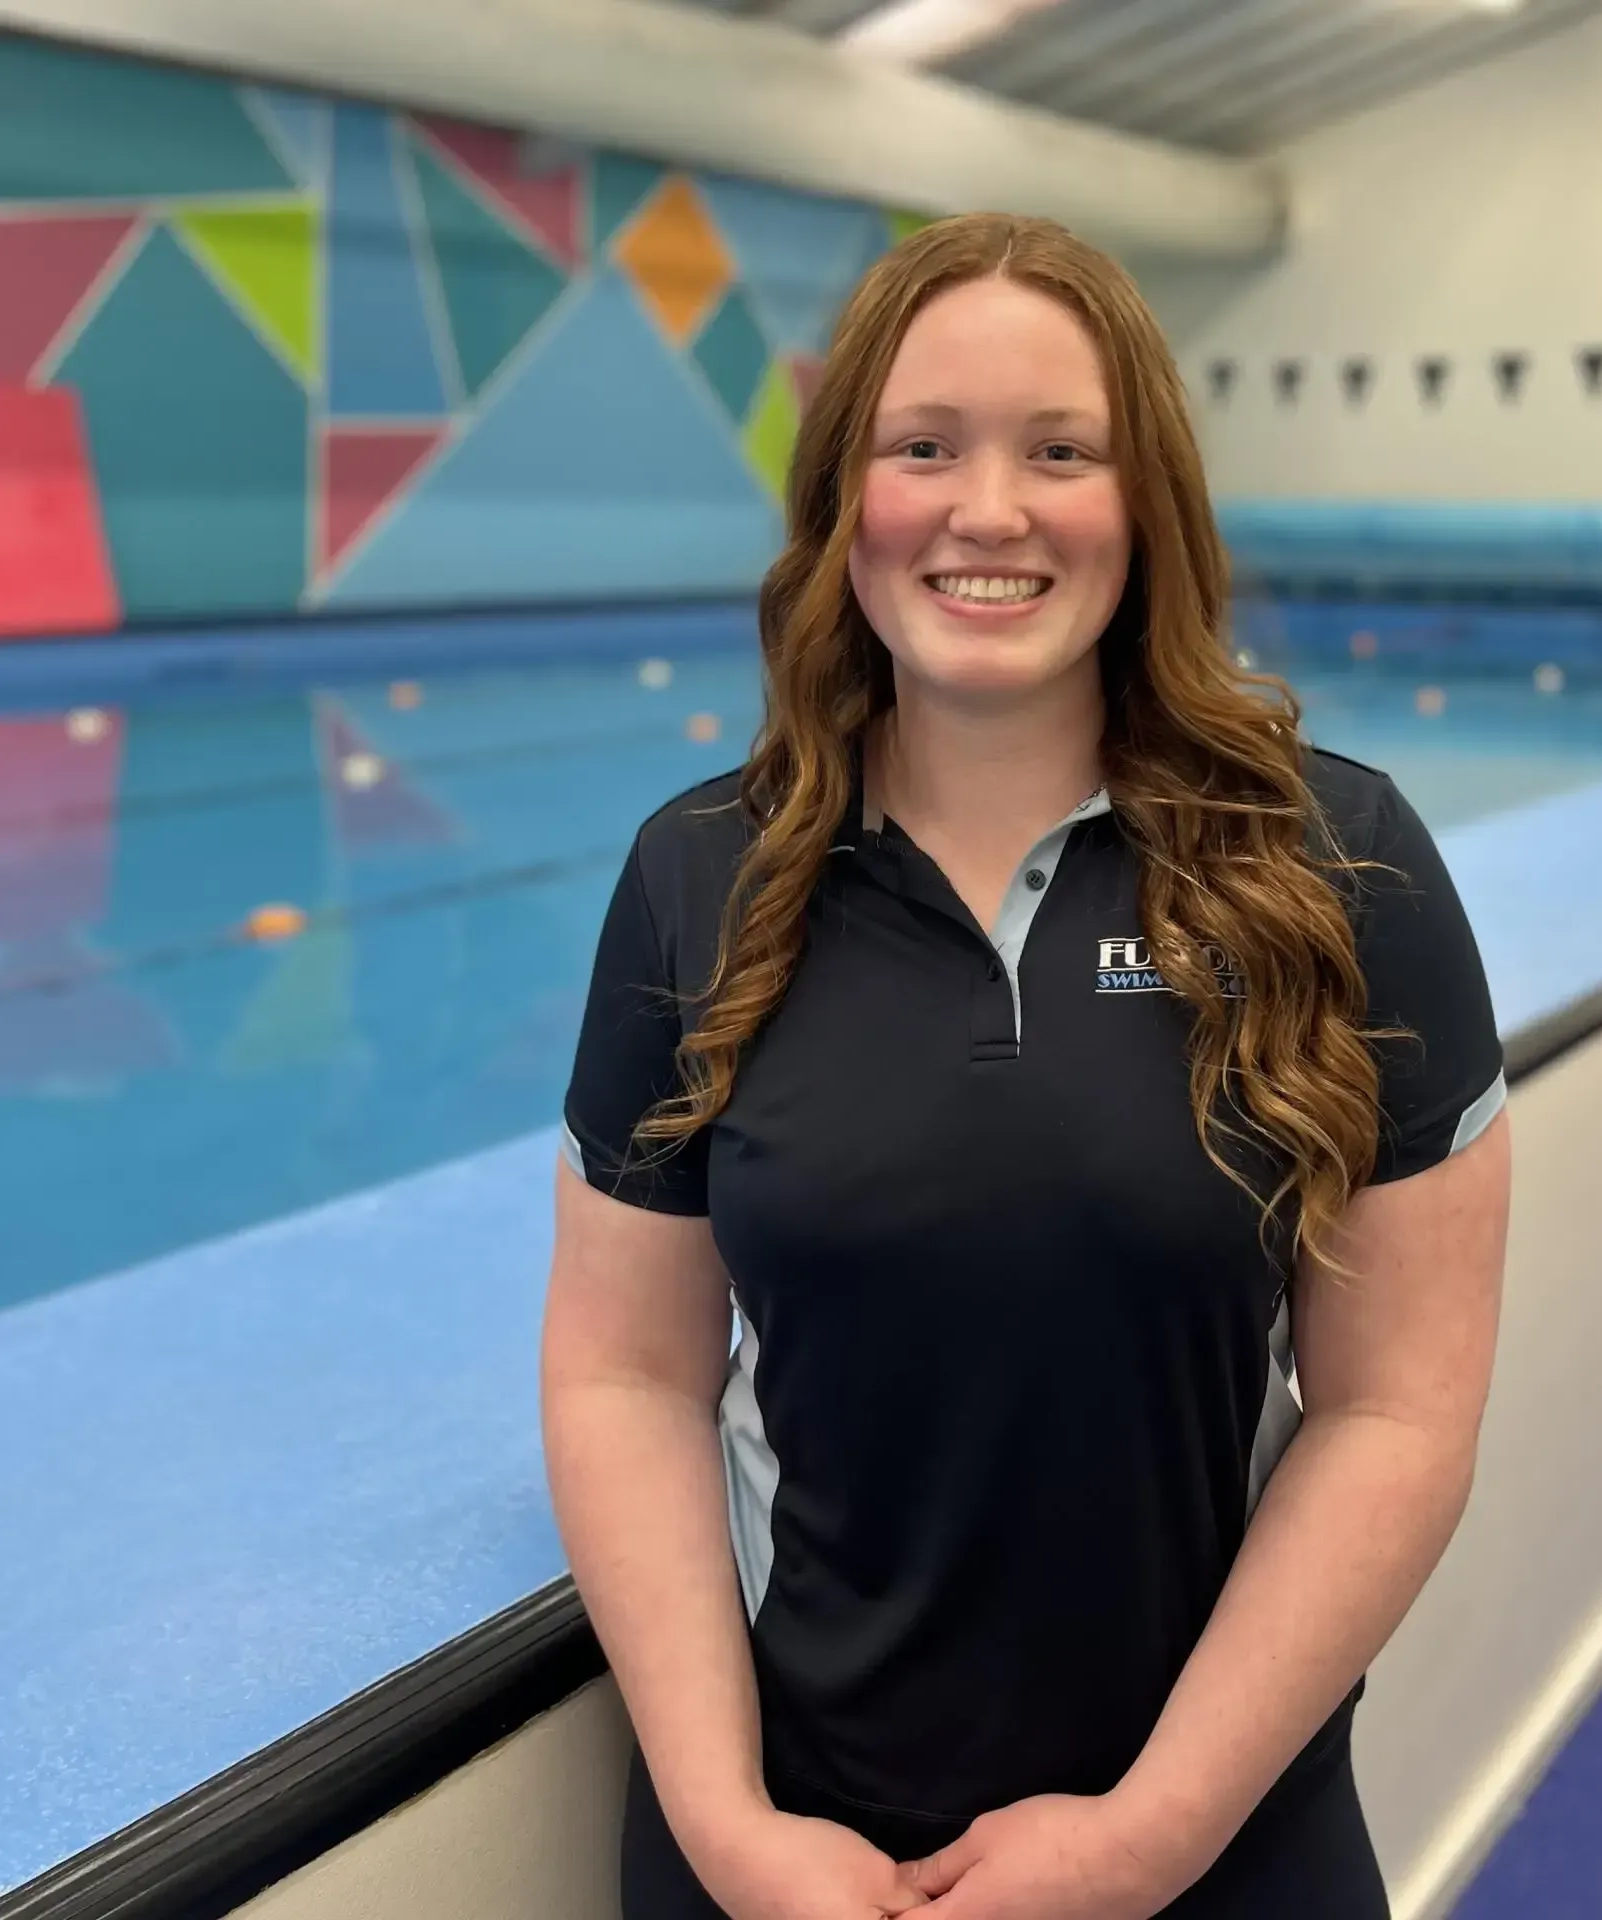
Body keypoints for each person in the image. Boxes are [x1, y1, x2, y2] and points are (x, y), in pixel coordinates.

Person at [543, 211, 1510, 1920]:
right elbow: (627, 1372)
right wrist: (725, 1823)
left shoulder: (1334, 863)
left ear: (1144, 503)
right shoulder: (703, 874)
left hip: (1216, 1838)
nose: (989, 512)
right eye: (925, 449)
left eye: (1062, 451)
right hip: (789, 1843)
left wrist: (1150, 1835)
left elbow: (1395, 1404)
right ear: (851, 496)